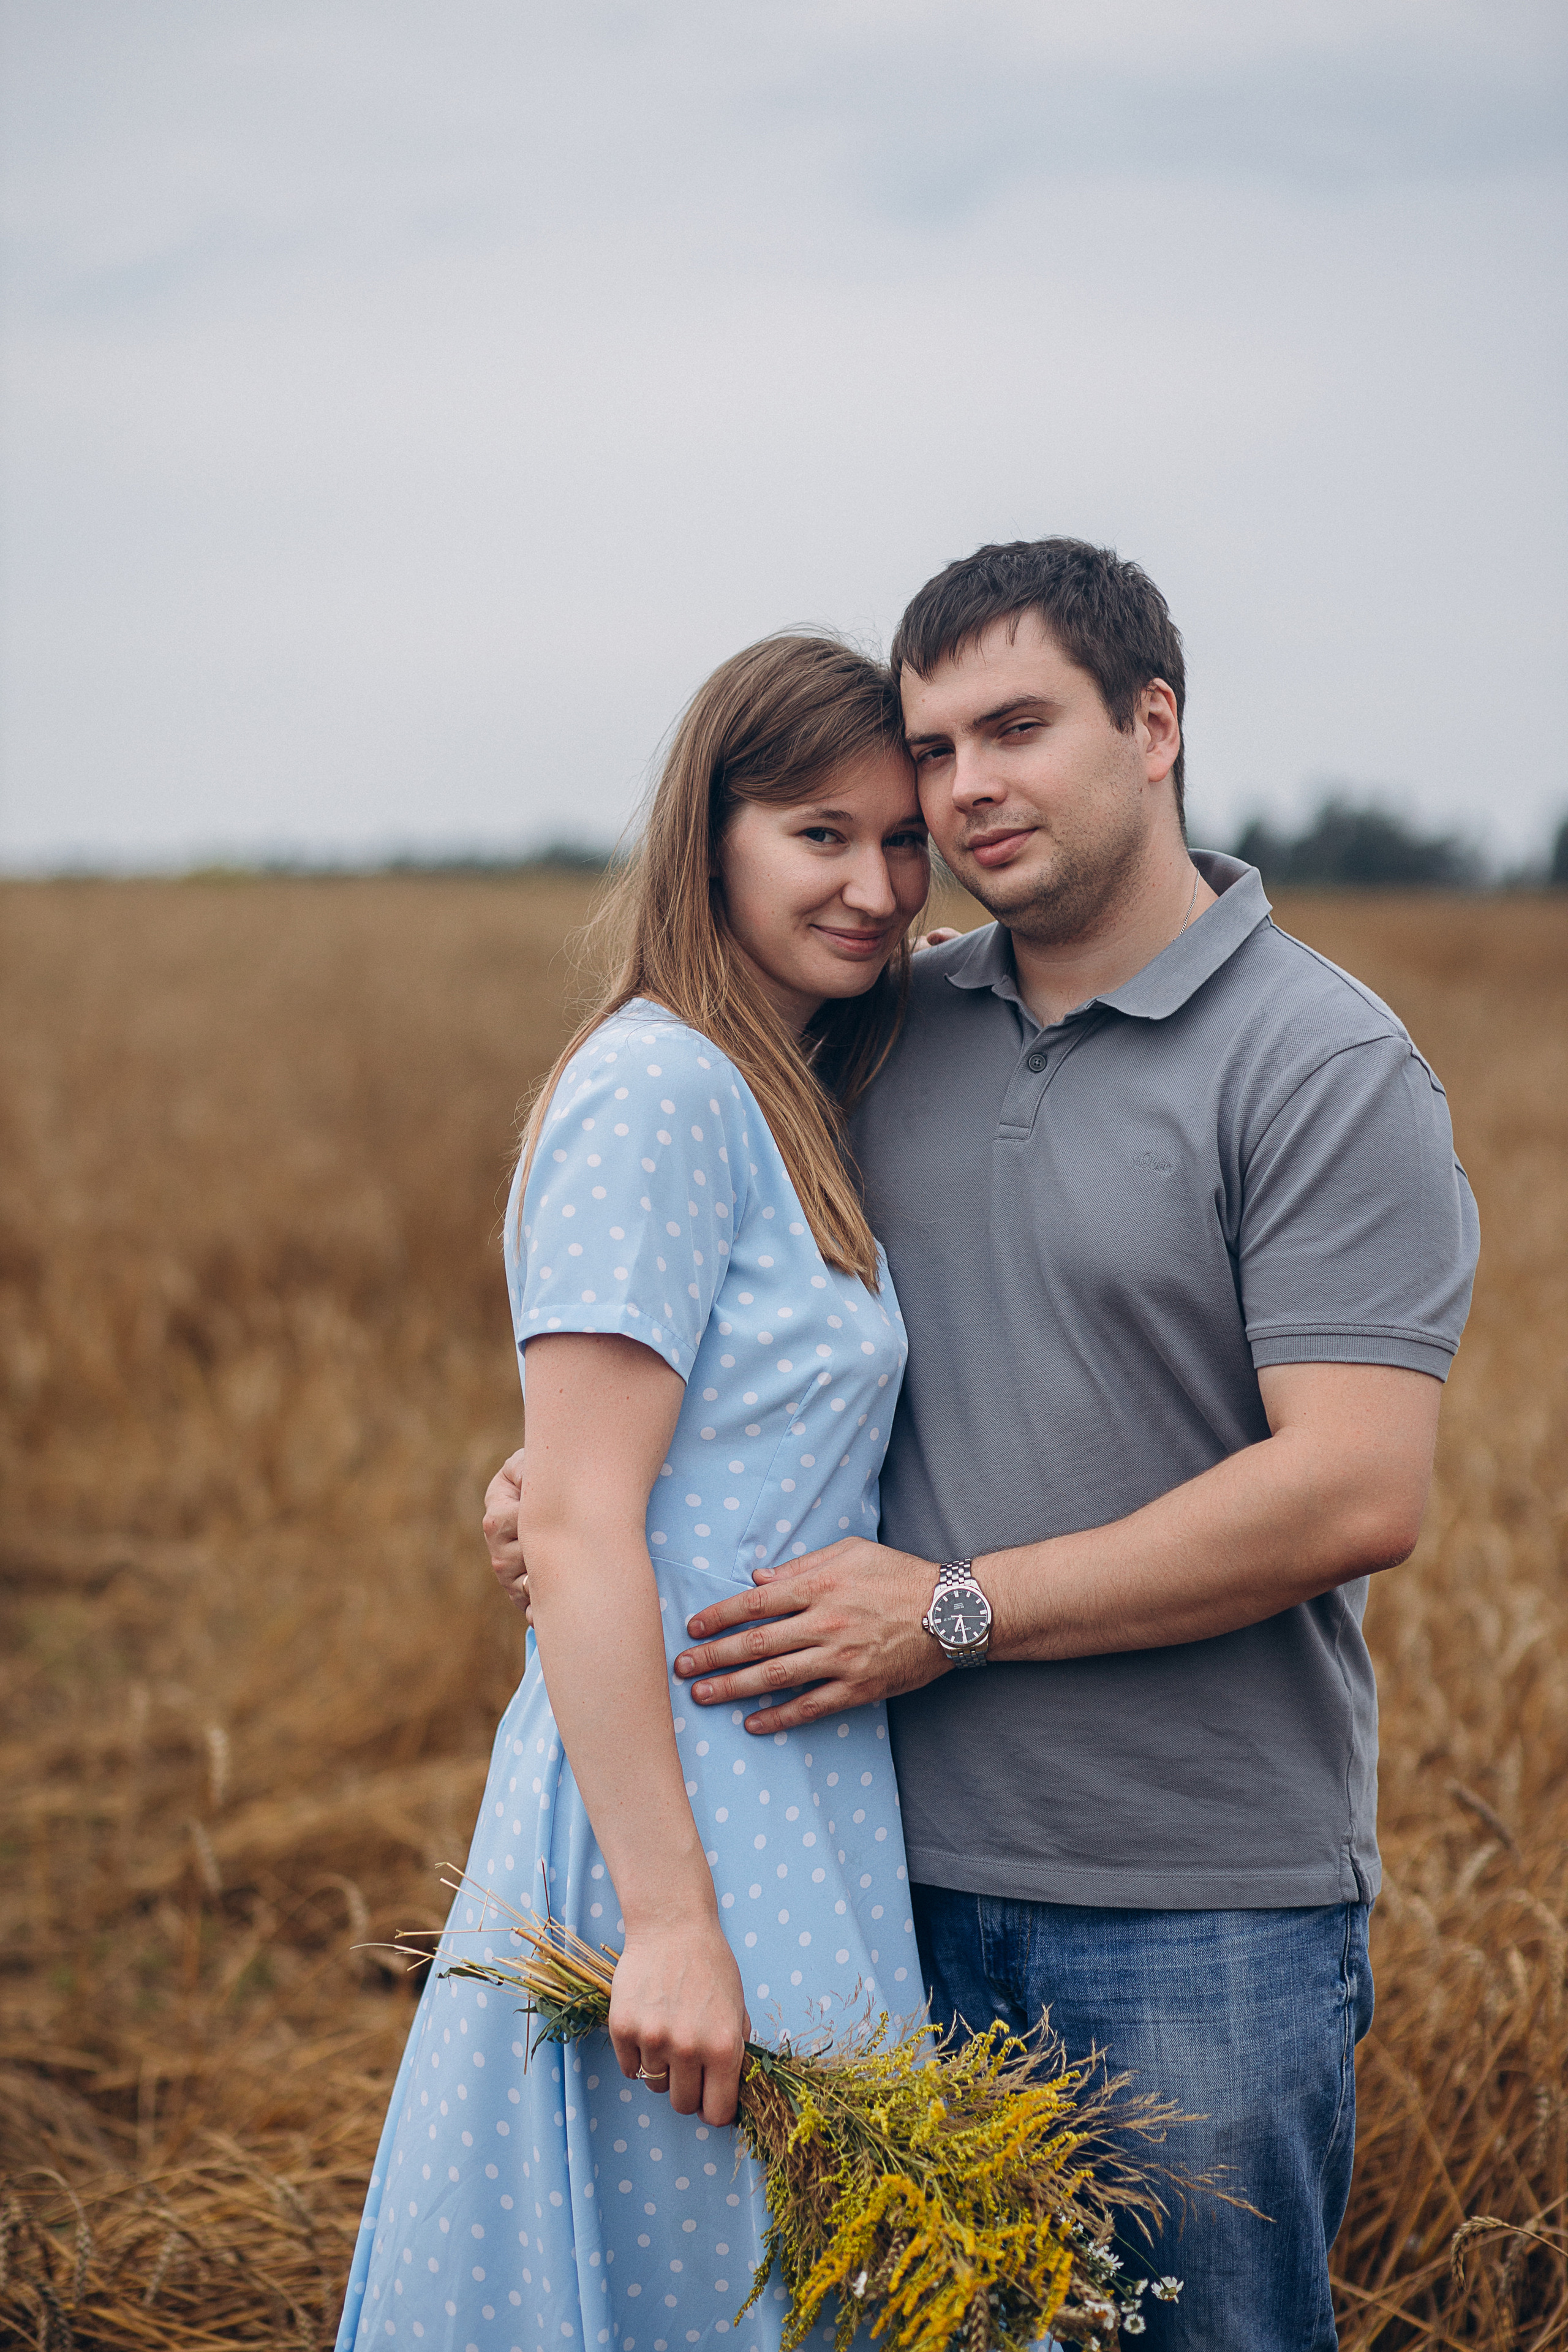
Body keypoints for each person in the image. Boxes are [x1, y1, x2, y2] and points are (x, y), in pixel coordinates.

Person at [487, 540, 1480, 2351]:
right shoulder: (880, 1029)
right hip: (871, 1877)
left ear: (1154, 724)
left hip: (1192, 1911)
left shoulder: (1323, 1064)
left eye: (1015, 728)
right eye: (934, 750)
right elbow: (729, 1336)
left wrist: (952, 1609)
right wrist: (573, 1497)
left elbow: (1355, 1485)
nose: (961, 794)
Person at [335, 635, 932, 2352]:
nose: (879, 888)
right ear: (713, 835)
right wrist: (670, 1926)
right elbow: (588, 1516)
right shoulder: (663, 1085)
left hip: (794, 1796)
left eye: (905, 843)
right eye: (822, 835)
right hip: (674, 1819)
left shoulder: (780, 1078)